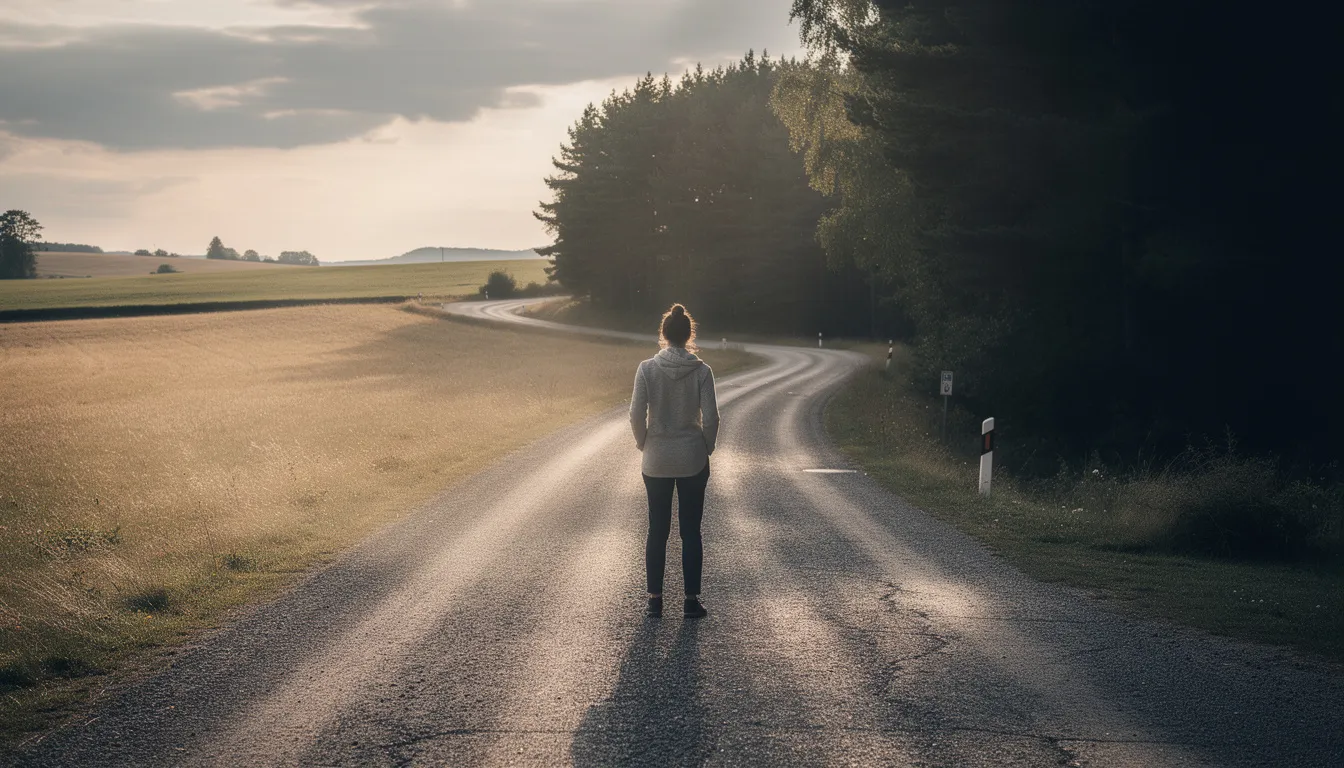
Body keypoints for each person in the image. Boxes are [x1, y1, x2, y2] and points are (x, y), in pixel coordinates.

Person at [629, 304, 719, 619]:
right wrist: (705, 447)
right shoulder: (702, 371)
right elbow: (712, 417)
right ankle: (691, 602)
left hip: (656, 459)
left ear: (664, 335)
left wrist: (644, 443)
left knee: (657, 529)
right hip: (692, 458)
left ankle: (654, 601)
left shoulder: (646, 369)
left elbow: (635, 413)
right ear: (688, 335)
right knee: (691, 531)